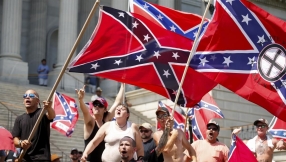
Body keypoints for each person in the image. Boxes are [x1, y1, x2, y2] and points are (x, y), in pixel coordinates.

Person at [76, 83, 124, 162]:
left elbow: (117, 102)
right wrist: (80, 100)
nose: (97, 106)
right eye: (95, 104)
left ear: (105, 109)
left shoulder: (106, 120)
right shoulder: (90, 122)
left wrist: (123, 84)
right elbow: (85, 111)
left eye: (100, 105)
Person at [12, 89, 55, 161]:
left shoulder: (42, 112)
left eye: (31, 96)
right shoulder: (19, 119)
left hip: (41, 158)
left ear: (37, 101)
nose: (27, 97)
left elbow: (51, 116)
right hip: (25, 158)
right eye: (25, 96)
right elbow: (15, 139)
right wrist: (21, 143)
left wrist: (49, 108)